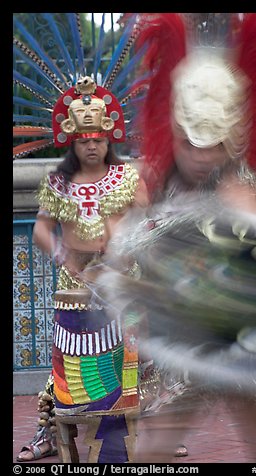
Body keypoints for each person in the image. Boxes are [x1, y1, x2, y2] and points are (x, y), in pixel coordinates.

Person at [94, 13, 256, 463]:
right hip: (189, 345)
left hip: (243, 349)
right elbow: (140, 250)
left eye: (211, 145)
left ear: (230, 141)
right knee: (153, 446)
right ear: (175, 133)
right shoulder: (161, 183)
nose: (200, 155)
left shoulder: (241, 187)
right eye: (192, 143)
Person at [16, 75, 149, 463]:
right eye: (84, 140)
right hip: (74, 283)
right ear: (73, 142)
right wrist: (62, 254)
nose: (91, 145)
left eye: (98, 139)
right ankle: (50, 432)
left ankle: (145, 430)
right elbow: (42, 230)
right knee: (69, 364)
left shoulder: (129, 179)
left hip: (124, 280)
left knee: (137, 363)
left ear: (109, 140)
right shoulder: (58, 182)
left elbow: (149, 224)